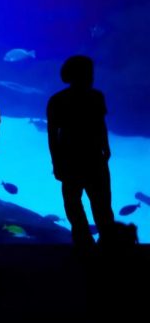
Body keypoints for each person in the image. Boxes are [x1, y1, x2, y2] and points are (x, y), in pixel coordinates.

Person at [47, 55, 116, 249]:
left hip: (73, 159)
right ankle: (101, 245)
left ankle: (86, 242)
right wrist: (105, 147)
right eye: (88, 73)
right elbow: (100, 125)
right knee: (99, 204)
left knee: (76, 204)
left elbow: (53, 136)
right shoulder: (95, 97)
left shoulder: (57, 100)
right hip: (90, 158)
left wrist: (56, 162)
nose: (92, 76)